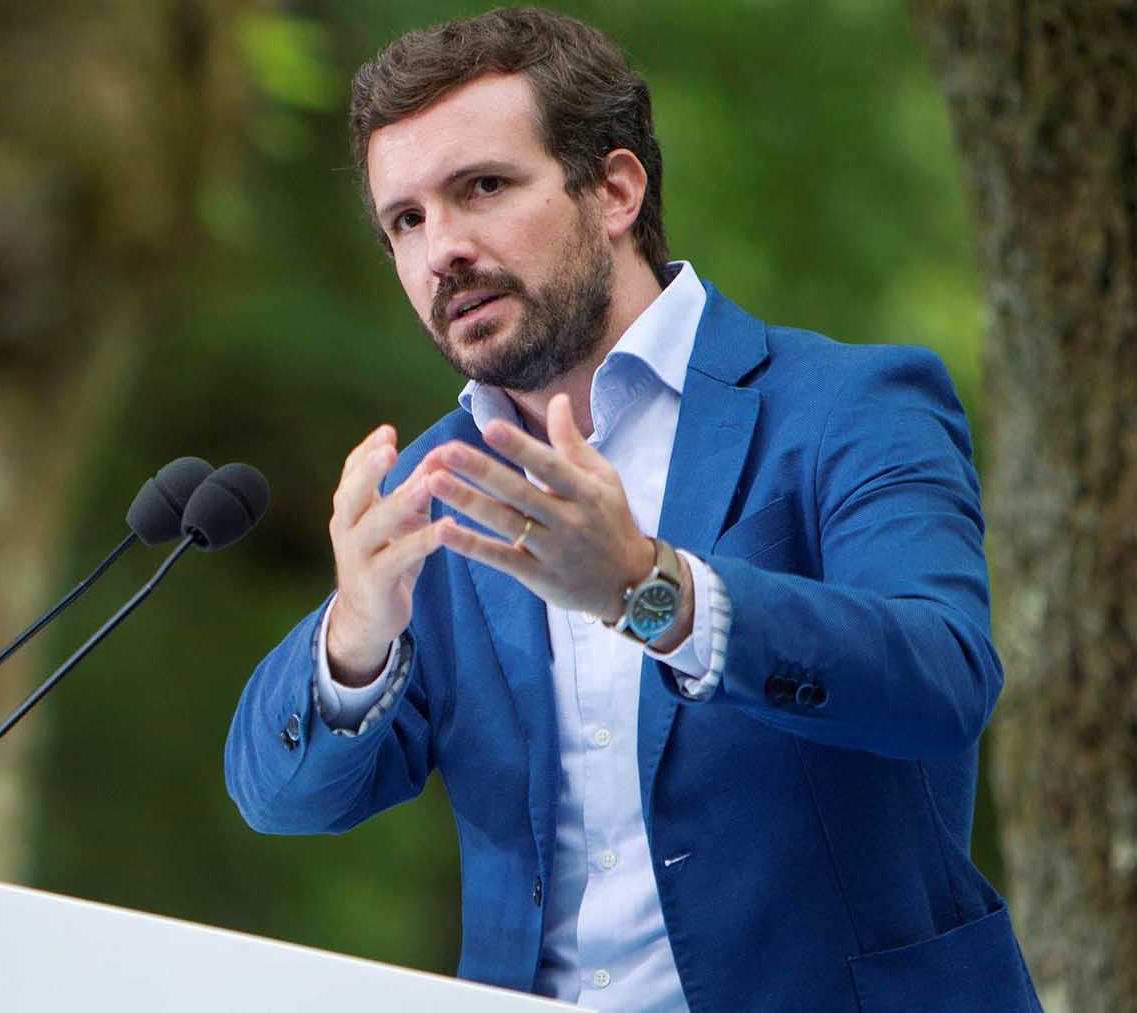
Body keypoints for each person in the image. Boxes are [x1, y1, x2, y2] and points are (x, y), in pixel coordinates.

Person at [223, 7, 1040, 1011]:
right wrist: (355, 634)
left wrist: (651, 590)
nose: (442, 250)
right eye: (408, 219)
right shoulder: (430, 486)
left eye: (482, 187)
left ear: (613, 188)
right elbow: (285, 797)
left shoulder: (846, 408)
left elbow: (943, 677)